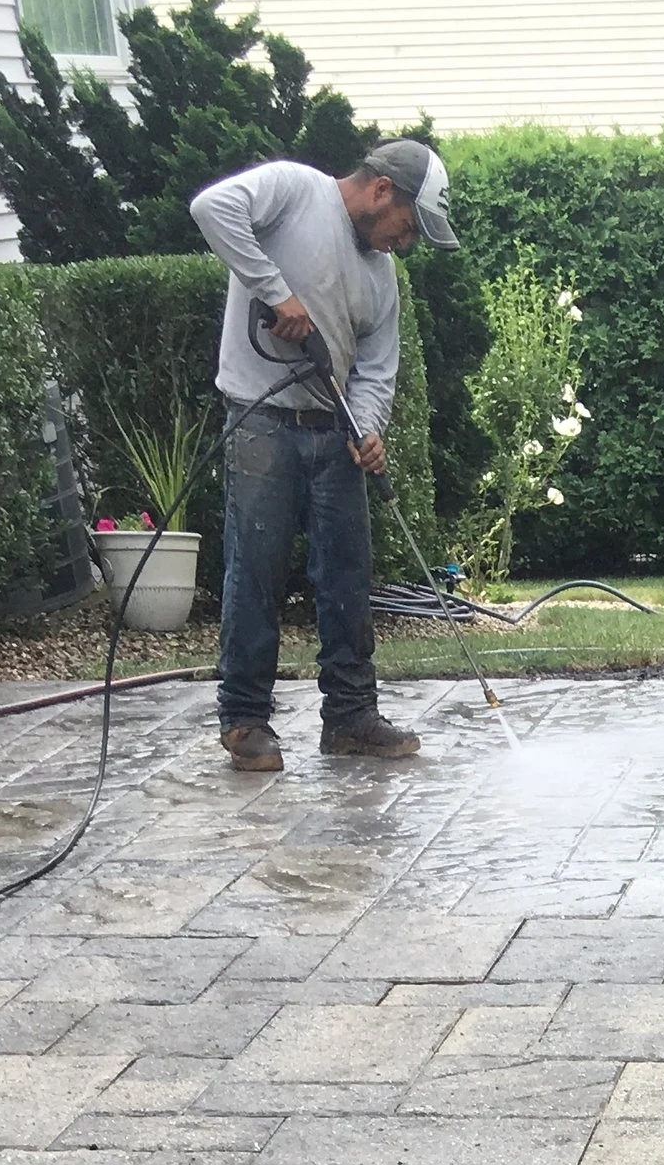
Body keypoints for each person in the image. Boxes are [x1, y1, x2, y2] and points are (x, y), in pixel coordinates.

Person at [188, 139, 460, 774]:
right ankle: (245, 720)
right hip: (260, 417)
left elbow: (376, 368)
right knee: (254, 568)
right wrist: (276, 292)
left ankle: (350, 719)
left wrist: (365, 428)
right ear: (382, 190)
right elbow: (211, 209)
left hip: (333, 433)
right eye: (410, 226)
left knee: (346, 574)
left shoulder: (383, 276)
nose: (408, 241)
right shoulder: (292, 189)